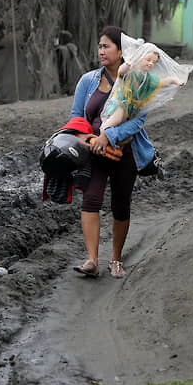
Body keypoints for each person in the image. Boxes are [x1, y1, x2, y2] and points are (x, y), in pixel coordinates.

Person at [69, 26, 151, 279]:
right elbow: (75, 118)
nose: (101, 51)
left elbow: (138, 121)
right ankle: (92, 260)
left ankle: (115, 259)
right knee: (91, 200)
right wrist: (91, 139)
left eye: (106, 46)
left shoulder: (138, 81)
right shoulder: (88, 81)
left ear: (121, 51)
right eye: (100, 46)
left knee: (120, 205)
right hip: (93, 151)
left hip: (124, 152)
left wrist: (109, 137)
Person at [99, 42, 186, 133]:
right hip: (121, 103)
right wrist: (127, 65)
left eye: (154, 62)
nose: (151, 64)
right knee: (118, 117)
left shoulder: (147, 78)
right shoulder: (132, 70)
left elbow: (162, 82)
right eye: (148, 60)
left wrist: (174, 80)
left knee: (123, 125)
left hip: (131, 108)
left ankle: (113, 140)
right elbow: (121, 72)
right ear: (140, 57)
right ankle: (103, 130)